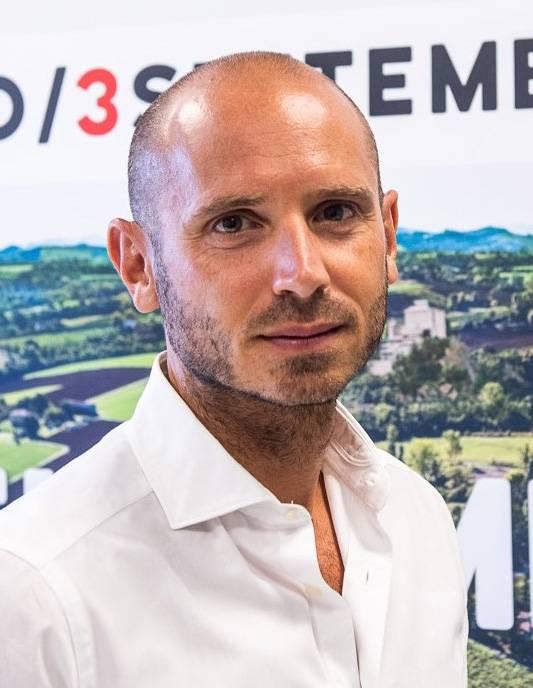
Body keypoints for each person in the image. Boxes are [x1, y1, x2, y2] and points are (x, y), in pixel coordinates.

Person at [0, 52, 468, 688]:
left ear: (387, 236)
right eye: (234, 224)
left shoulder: (417, 520)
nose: (303, 274)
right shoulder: (34, 596)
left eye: (335, 212)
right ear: (138, 265)